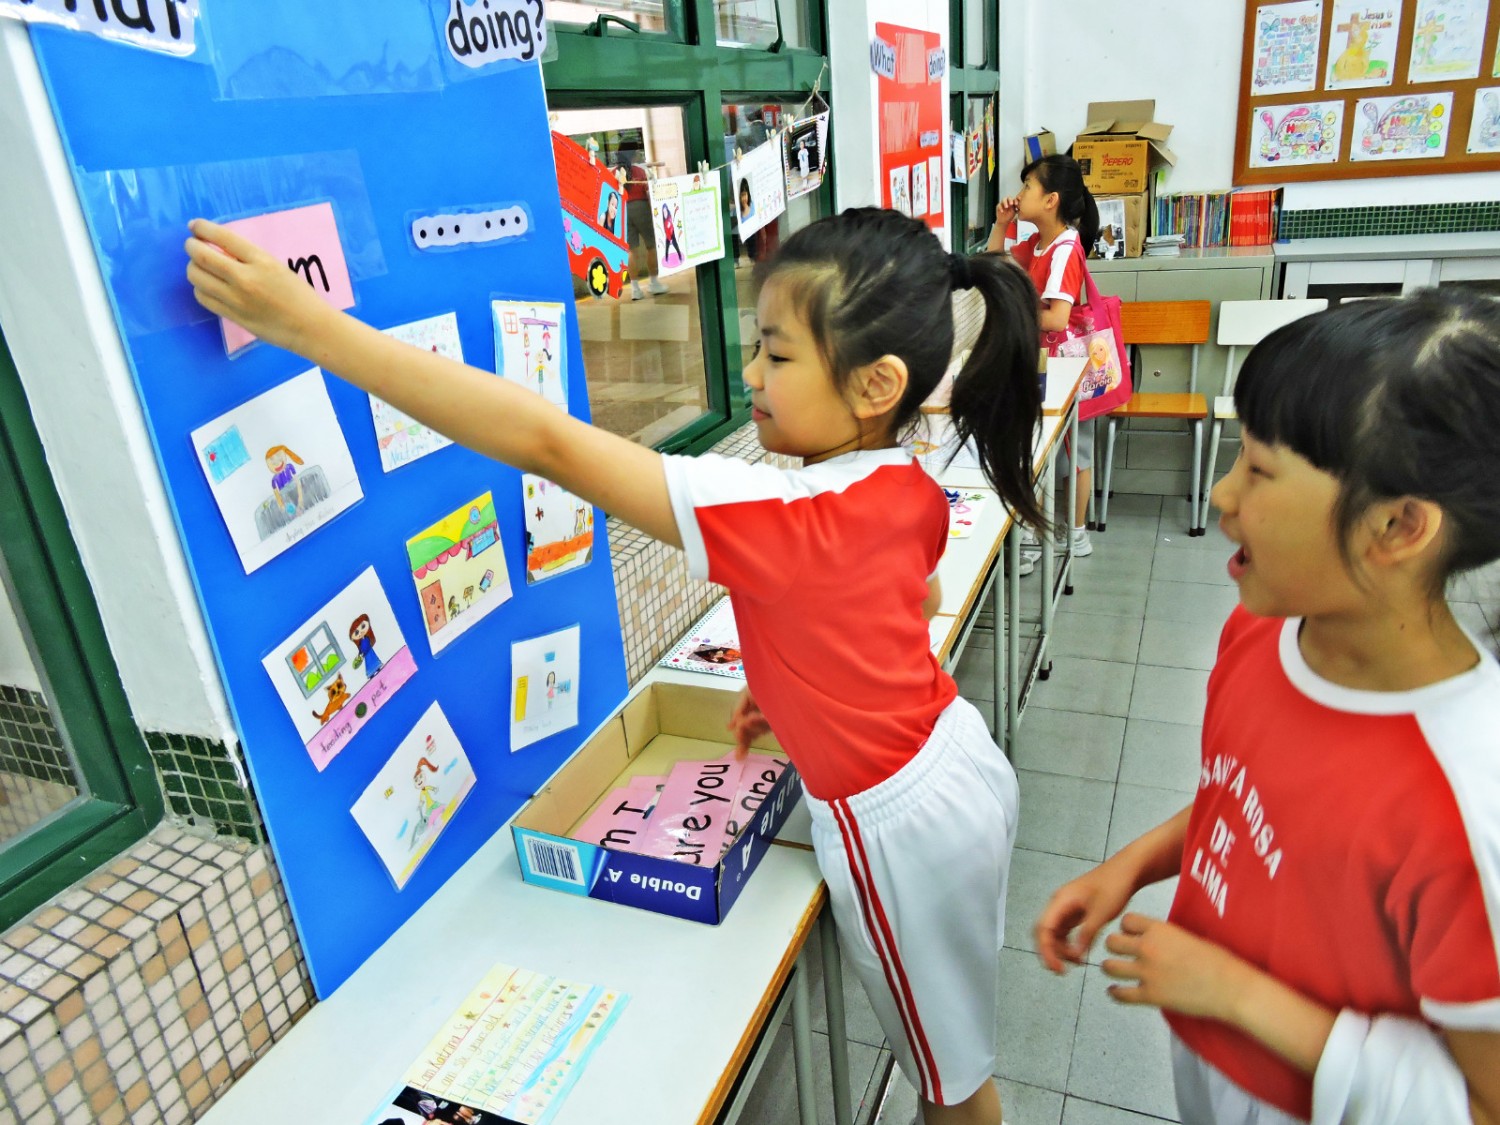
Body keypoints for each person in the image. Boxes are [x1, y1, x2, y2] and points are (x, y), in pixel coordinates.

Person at [185, 206, 1047, 1125]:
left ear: (876, 384)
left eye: (777, 354)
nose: (751, 376)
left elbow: (547, 442)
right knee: (954, 1036)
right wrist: (796, 681)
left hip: (898, 825)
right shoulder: (903, 478)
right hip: (958, 761)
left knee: (950, 1085)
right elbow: (910, 598)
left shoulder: (777, 513)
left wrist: (308, 327)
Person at [1034, 292, 1500, 1125]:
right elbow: (1247, 800)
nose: (1221, 493)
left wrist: (1236, 992)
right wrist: (1130, 866)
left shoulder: (1467, 801)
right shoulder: (1261, 632)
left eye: (1258, 470)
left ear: (1398, 526)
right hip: (1214, 1065)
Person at [987, 153, 1100, 567]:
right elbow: (995, 269)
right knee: (1038, 448)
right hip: (1041, 362)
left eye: (1027, 186)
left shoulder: (1066, 248)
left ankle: (1076, 534)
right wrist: (1001, 225)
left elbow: (1056, 318)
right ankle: (1037, 534)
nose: (1019, 195)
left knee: (1074, 450)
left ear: (1051, 200)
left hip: (1065, 364)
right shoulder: (1037, 243)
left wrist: (1014, 311)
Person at [617, 144, 667, 300]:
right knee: (651, 245)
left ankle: (635, 289)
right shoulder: (640, 172)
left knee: (631, 251)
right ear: (632, 155)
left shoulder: (614, 173)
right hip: (641, 207)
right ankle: (654, 283)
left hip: (623, 210)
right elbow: (649, 192)